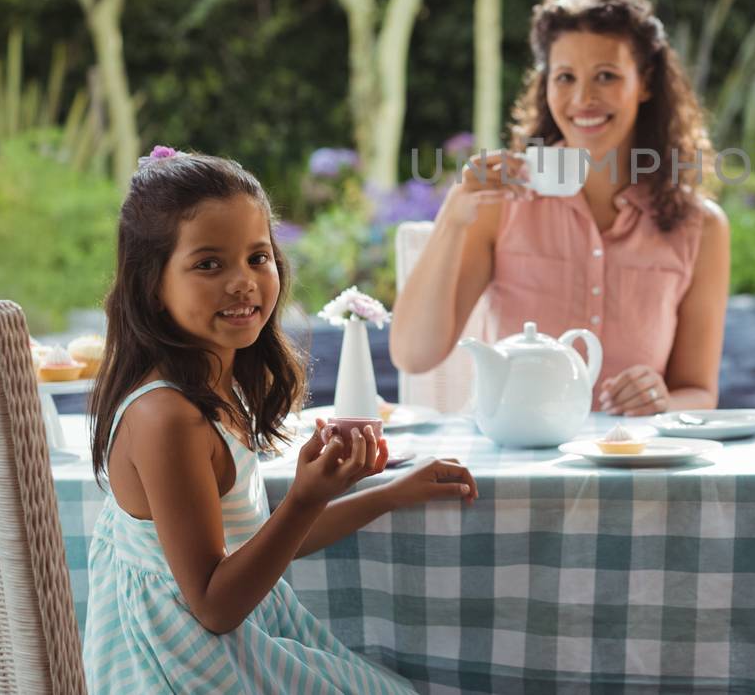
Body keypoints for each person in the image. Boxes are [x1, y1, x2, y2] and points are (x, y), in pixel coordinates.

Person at [84, 148, 478, 694]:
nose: (243, 281)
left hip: (232, 643)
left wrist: (388, 494)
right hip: (184, 668)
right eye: (208, 264)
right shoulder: (165, 416)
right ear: (151, 284)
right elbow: (215, 605)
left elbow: (257, 538)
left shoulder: (220, 385)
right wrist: (304, 496)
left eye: (257, 257)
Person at [390, 0, 731, 416]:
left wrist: (662, 400)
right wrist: (453, 217)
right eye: (565, 77)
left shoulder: (700, 227)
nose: (582, 99)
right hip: (520, 462)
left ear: (645, 83)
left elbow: (699, 392)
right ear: (545, 84)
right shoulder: (502, 204)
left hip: (633, 464)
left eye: (606, 76)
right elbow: (414, 356)